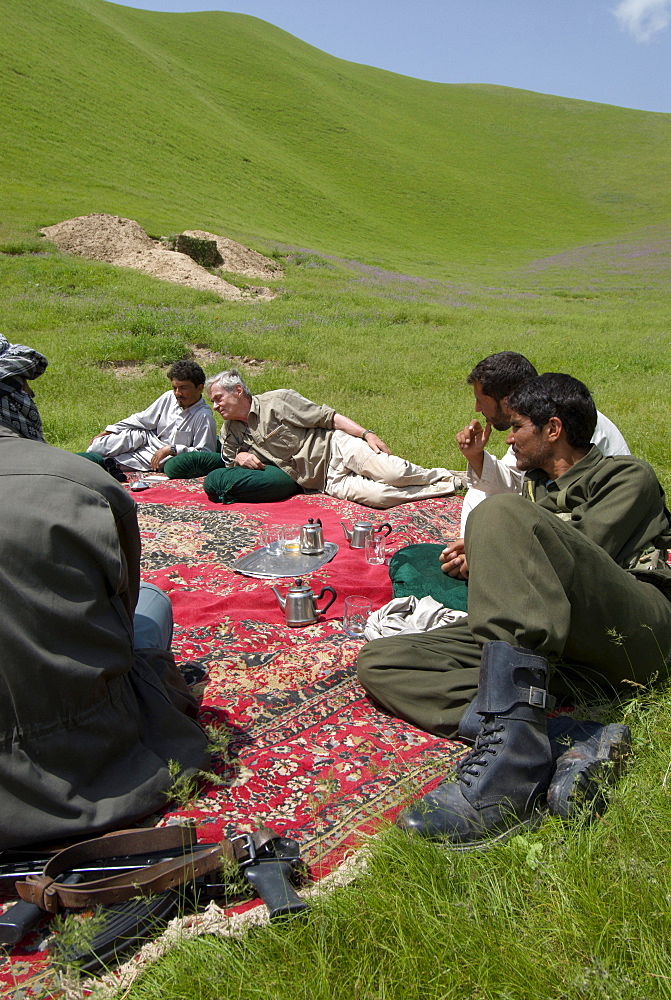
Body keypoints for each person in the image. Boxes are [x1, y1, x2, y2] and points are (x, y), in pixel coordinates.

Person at [357, 374, 671, 845]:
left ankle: (511, 771)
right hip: (569, 653)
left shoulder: (627, 475)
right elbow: (532, 577)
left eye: (517, 426)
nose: (508, 437)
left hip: (635, 635)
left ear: (553, 429)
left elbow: (583, 554)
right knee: (384, 662)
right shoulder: (536, 491)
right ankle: (565, 733)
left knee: (497, 513)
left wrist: (495, 538)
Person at [0, 337, 209, 849]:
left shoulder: (201, 416)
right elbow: (125, 607)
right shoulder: (82, 487)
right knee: (155, 603)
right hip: (72, 744)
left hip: (169, 458)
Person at [201, 370, 462, 509]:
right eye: (212, 402)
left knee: (393, 473)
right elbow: (228, 462)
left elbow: (328, 417)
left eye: (218, 399)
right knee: (381, 498)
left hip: (337, 447)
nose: (215, 406)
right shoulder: (230, 431)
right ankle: (451, 483)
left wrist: (366, 434)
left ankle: (444, 474)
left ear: (237, 390)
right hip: (323, 480)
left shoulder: (277, 401)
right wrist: (239, 457)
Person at [456, 351, 629, 535]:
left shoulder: (566, 423)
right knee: (478, 497)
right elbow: (516, 478)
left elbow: (568, 501)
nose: (477, 408)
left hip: (582, 514)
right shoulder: (536, 423)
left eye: (481, 401)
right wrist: (475, 456)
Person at [86, 359, 217, 472]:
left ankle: (102, 466)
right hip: (146, 440)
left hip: (163, 457)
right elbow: (142, 419)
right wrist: (108, 430)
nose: (177, 393)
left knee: (109, 464)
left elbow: (205, 454)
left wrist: (172, 449)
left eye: (183, 388)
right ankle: (87, 457)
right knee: (102, 444)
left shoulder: (203, 416)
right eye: (175, 388)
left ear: (199, 388)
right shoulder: (168, 397)